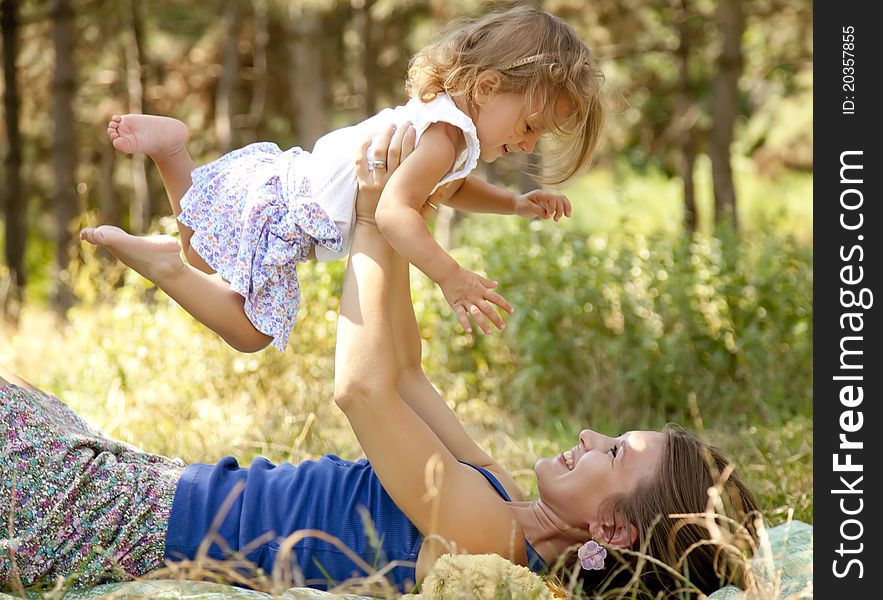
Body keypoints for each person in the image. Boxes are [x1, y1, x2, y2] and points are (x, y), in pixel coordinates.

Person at [3, 126, 759, 598]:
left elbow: (362, 392)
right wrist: (406, 217)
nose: (593, 436)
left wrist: (370, 221)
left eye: (617, 452)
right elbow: (403, 374)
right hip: (157, 485)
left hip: (126, 521)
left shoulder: (491, 542)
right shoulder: (493, 494)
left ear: (613, 530)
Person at [80, 5, 602, 352]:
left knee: (203, 256)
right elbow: (396, 213)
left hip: (285, 183)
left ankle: (173, 156)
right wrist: (451, 276)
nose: (530, 143)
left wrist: (514, 204)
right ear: (487, 87)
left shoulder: (450, 133)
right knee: (250, 332)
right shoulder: (446, 133)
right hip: (287, 205)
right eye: (530, 126)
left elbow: (446, 190)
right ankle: (171, 167)